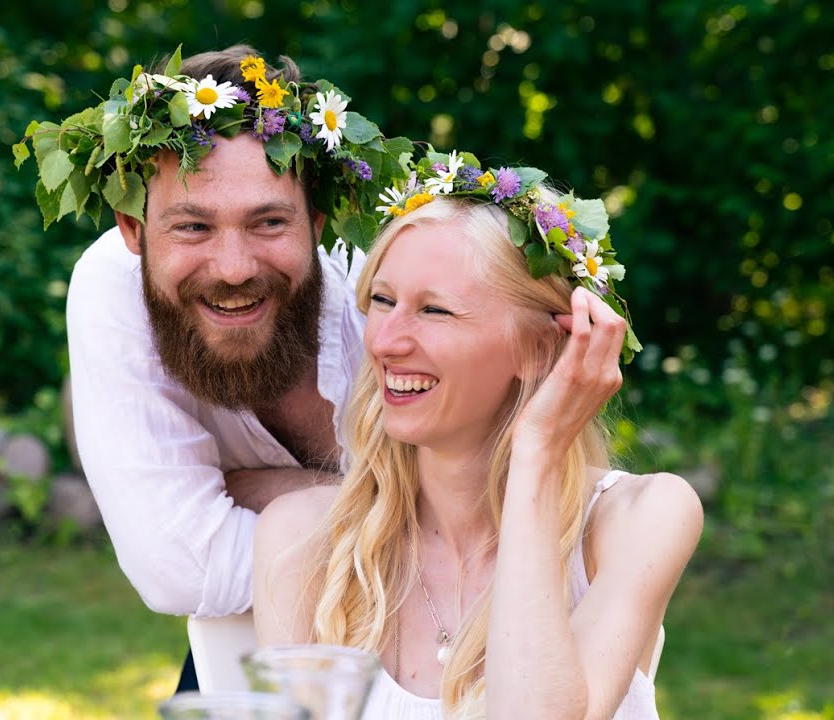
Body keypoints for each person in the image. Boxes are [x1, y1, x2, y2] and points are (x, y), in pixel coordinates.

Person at [253, 152, 703, 719]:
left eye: (436, 311)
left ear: (541, 348)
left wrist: (537, 453)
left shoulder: (639, 517)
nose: (387, 341)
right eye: (383, 301)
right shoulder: (304, 539)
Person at [14, 46, 408, 690]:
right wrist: (406, 510)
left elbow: (499, 511)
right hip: (244, 649)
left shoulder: (391, 282)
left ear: (316, 221)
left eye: (269, 222)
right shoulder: (112, 284)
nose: (233, 268)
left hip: (458, 640)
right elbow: (179, 567)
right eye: (193, 226)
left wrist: (267, 494)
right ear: (133, 229)